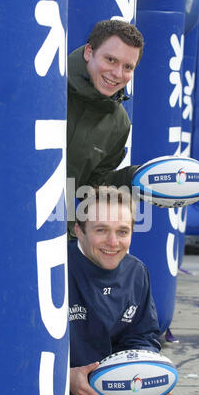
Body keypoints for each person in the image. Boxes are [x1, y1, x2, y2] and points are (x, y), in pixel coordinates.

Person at [68, 186, 163, 395]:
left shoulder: (136, 272)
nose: (113, 242)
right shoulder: (55, 268)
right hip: (55, 391)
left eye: (122, 232)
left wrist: (150, 369)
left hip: (110, 392)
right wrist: (64, 378)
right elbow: (17, 348)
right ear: (79, 231)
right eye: (101, 230)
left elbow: (142, 335)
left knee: (146, 391)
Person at [67, 19, 144, 237]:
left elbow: (89, 189)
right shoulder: (47, 85)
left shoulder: (119, 123)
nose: (118, 74)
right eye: (111, 60)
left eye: (128, 67)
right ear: (89, 52)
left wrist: (133, 178)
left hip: (55, 241)